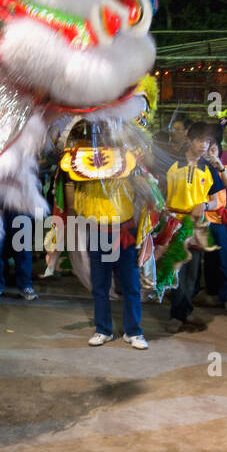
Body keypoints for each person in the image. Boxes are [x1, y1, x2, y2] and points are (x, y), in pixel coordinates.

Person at [63, 125, 146, 348]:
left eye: (104, 133)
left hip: (123, 230)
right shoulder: (80, 159)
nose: (100, 137)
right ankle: (103, 329)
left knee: (130, 285)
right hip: (97, 230)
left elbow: (144, 183)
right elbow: (69, 182)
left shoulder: (129, 156)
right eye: (96, 133)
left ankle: (134, 331)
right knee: (100, 285)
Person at [164, 122, 219, 329]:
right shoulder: (172, 164)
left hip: (197, 226)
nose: (203, 145)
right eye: (199, 140)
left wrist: (204, 204)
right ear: (189, 140)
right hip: (176, 223)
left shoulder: (208, 168)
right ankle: (177, 315)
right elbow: (160, 194)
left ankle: (184, 312)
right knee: (178, 269)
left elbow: (216, 201)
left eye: (207, 141)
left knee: (193, 272)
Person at [201, 124, 227, 310]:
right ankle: (211, 292)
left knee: (223, 259)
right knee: (208, 260)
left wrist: (221, 167)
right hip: (203, 220)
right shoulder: (200, 169)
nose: (211, 152)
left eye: (214, 149)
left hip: (218, 220)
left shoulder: (222, 169)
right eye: (208, 149)